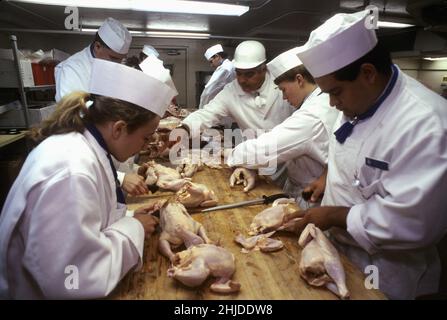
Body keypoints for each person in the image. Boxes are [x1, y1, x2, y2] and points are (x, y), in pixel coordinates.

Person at [282, 10, 447, 299]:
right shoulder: (358, 100)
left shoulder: (427, 125)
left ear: (368, 73)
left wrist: (334, 215)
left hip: (388, 270)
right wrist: (327, 176)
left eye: (336, 92)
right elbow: (351, 150)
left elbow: (411, 223)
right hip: (338, 251)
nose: (333, 104)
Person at [0, 58, 177, 299]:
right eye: (145, 138)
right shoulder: (71, 171)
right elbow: (71, 279)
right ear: (118, 128)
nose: (143, 146)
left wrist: (126, 215)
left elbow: (81, 222)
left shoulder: (86, 146)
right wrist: (133, 227)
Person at [226, 47, 339, 204]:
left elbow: (266, 149)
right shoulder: (320, 100)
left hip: (311, 197)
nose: (284, 97)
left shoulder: (311, 116)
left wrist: (230, 154)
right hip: (305, 187)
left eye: (284, 90)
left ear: (299, 80)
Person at [55, 17, 148, 196]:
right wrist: (118, 177)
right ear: (97, 46)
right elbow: (79, 124)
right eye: (113, 58)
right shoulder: (73, 70)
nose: (116, 64)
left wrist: (128, 168)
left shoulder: (110, 66)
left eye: (120, 59)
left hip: (111, 154)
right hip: (87, 160)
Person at [181, 40, 294, 185]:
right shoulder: (231, 91)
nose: (241, 80)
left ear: (263, 69)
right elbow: (206, 113)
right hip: (251, 162)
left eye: (249, 74)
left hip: (287, 165)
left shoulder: (282, 87)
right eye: (238, 73)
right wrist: (184, 129)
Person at [199, 44, 236, 109]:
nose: (211, 65)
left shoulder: (224, 68)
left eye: (211, 61)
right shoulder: (231, 65)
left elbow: (208, 91)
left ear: (217, 56)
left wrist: (202, 109)